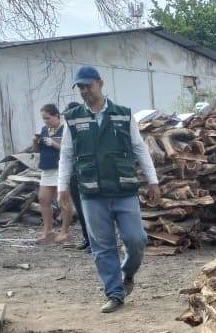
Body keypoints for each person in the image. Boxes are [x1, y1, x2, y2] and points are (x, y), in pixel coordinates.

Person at [58, 66, 160, 313]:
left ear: (100, 84)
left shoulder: (123, 115)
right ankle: (114, 293)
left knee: (136, 240)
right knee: (102, 246)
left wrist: (153, 180)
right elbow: (67, 155)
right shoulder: (73, 119)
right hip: (92, 193)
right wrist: (62, 188)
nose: (84, 91)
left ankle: (127, 273)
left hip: (124, 190)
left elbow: (139, 149)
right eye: (80, 87)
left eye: (88, 86)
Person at [32, 103, 72, 244]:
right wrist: (36, 142)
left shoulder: (65, 129)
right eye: (43, 118)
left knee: (63, 199)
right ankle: (48, 231)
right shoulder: (44, 129)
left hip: (60, 168)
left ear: (57, 116)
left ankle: (65, 231)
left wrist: (54, 144)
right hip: (47, 168)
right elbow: (37, 150)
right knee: (43, 199)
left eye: (48, 118)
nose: (46, 121)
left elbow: (68, 149)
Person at [61, 101, 90, 252]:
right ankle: (87, 238)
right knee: (80, 209)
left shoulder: (87, 130)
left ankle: (94, 241)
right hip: (73, 173)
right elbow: (65, 154)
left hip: (85, 173)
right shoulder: (69, 131)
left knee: (90, 210)